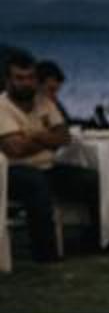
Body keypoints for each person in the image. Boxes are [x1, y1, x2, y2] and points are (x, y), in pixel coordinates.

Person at [0, 45, 76, 261]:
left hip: (47, 167)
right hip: (12, 171)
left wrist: (33, 136)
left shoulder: (44, 102)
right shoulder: (2, 107)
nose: (26, 83)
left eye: (31, 77)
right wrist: (48, 139)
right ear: (8, 80)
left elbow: (65, 137)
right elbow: (15, 149)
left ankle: (101, 239)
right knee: (36, 184)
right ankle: (45, 252)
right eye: (20, 78)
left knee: (90, 181)